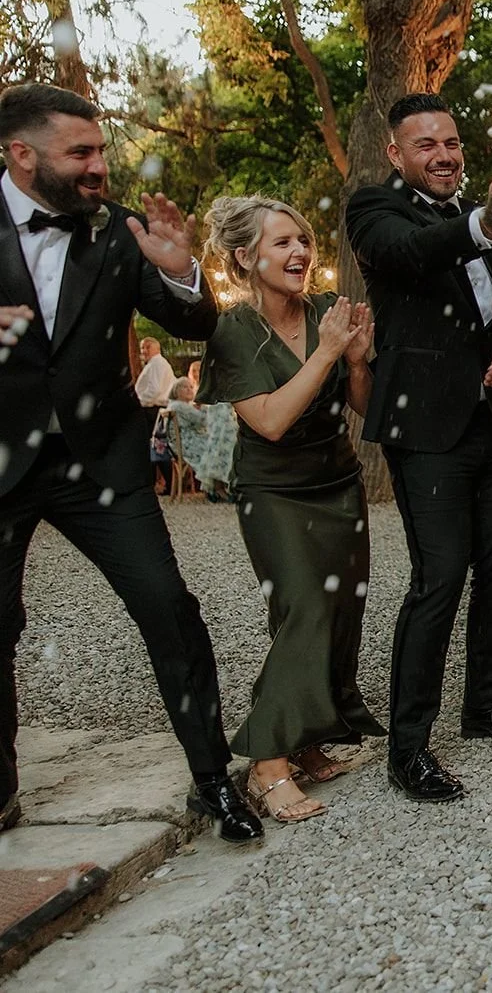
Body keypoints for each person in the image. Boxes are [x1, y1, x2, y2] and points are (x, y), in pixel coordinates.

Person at [0, 83, 260, 842]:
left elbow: (195, 320)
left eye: (100, 151)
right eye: (79, 153)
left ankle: (213, 780)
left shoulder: (116, 229)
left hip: (102, 461)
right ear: (21, 155)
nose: (97, 167)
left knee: (167, 607)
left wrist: (182, 272)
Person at [345, 93, 492, 802]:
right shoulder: (375, 210)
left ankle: (486, 706)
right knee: (439, 579)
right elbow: (412, 253)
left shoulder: (481, 224)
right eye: (426, 144)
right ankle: (410, 748)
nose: (443, 155)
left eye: (452, 142)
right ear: (396, 154)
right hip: (424, 427)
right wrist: (488, 219)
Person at [199, 195, 386, 822]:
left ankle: (308, 735)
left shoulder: (326, 314)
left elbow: (362, 408)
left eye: (303, 240)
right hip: (274, 489)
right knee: (305, 605)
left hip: (338, 481)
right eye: (282, 243)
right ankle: (268, 761)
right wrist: (331, 352)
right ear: (245, 258)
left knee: (339, 610)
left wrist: (357, 362)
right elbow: (272, 421)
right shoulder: (233, 330)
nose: (300, 252)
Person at [164, 377, 238, 499]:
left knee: (218, 447)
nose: (189, 390)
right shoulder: (180, 406)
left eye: (191, 387)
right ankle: (218, 487)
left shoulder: (180, 405)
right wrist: (204, 406)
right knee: (217, 450)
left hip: (185, 441)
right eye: (185, 387)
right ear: (176, 391)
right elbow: (203, 421)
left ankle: (217, 486)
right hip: (186, 444)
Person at [137, 337, 177, 489]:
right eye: (142, 348)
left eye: (147, 347)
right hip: (153, 408)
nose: (144, 351)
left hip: (154, 408)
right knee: (155, 446)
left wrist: (138, 401)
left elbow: (154, 390)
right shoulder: (154, 364)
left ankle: (161, 482)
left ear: (156, 348)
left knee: (157, 446)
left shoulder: (157, 364)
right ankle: (158, 482)